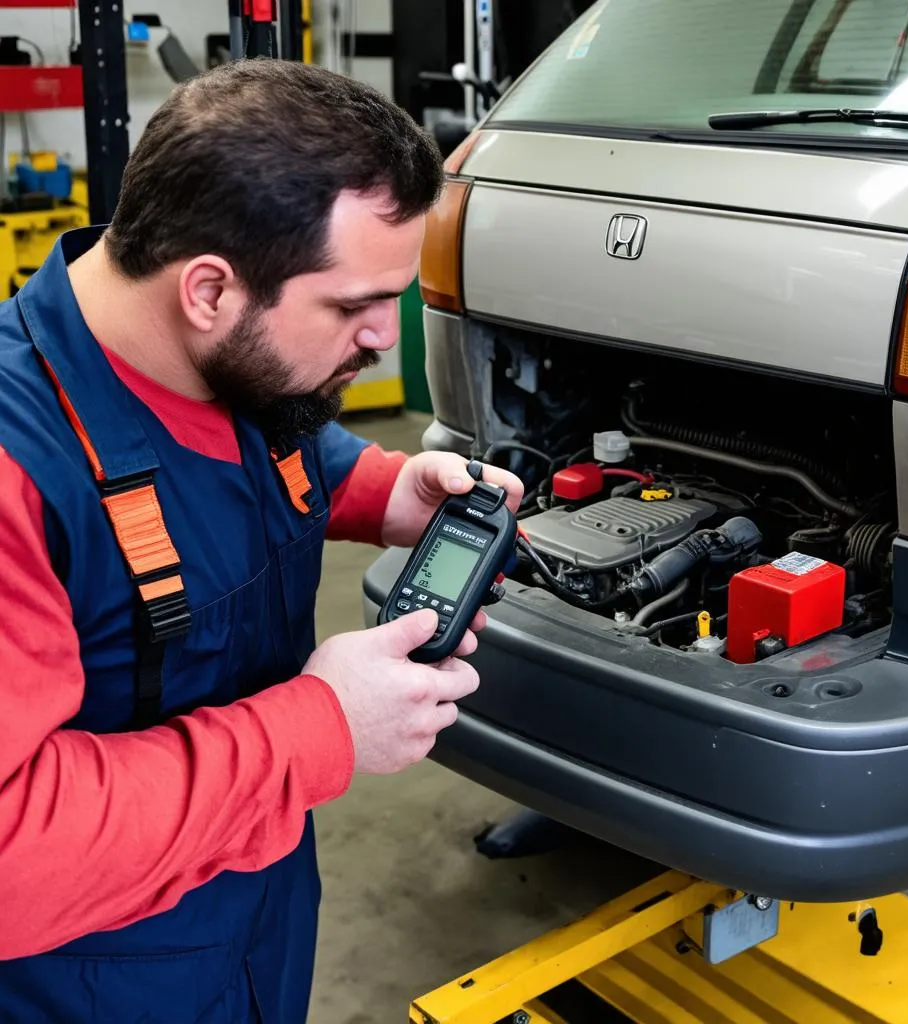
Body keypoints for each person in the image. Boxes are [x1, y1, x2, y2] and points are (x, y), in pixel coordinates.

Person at [0, 59, 522, 1022]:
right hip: (90, 979)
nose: (380, 337)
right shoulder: (17, 470)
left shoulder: (227, 361)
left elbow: (288, 448)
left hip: (258, 914)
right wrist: (322, 728)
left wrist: (389, 487)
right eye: (353, 306)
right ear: (208, 290)